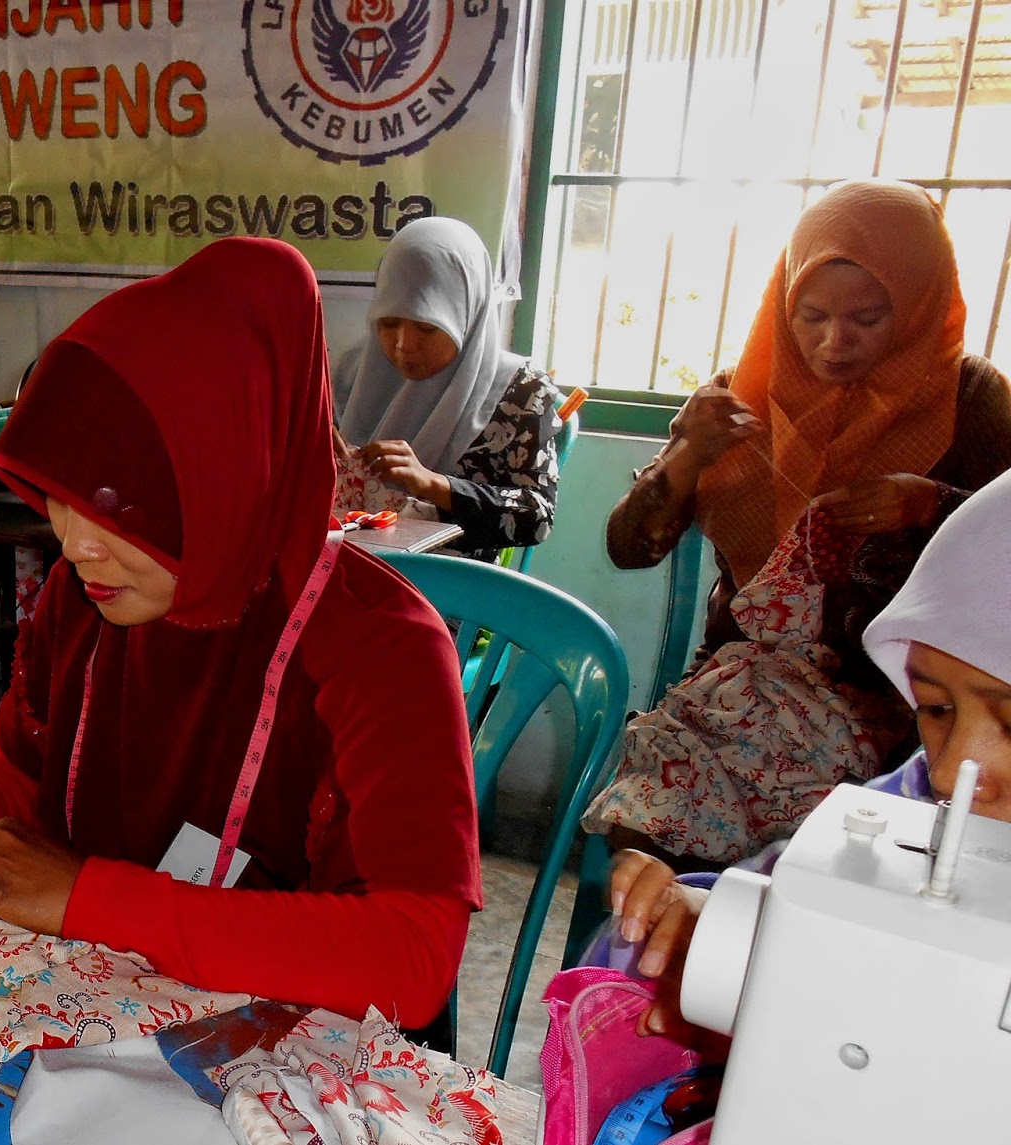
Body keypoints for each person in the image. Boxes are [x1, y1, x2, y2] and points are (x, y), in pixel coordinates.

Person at [0, 237, 482, 1029]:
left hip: (300, 1044)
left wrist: (92, 898)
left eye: (115, 506)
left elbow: (410, 958)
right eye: (60, 497)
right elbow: (29, 777)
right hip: (113, 999)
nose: (75, 543)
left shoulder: (382, 648)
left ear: (224, 475)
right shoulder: (83, 603)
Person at [583, 179, 1011, 867]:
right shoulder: (743, 393)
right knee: (655, 817)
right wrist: (688, 455)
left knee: (821, 849)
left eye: (867, 318)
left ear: (917, 303)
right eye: (811, 316)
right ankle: (661, 928)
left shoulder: (971, 401)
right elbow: (630, 547)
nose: (834, 341)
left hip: (897, 700)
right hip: (740, 686)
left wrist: (931, 505)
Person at [603, 464, 1011, 1038]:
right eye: (936, 709)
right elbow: (780, 901)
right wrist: (706, 925)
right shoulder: (907, 803)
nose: (948, 773)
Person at [332, 216, 562, 560]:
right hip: (346, 569)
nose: (403, 345)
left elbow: (537, 516)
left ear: (466, 316)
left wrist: (434, 484)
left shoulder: (520, 391)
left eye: (427, 328)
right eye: (389, 323)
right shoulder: (349, 374)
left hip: (448, 584)